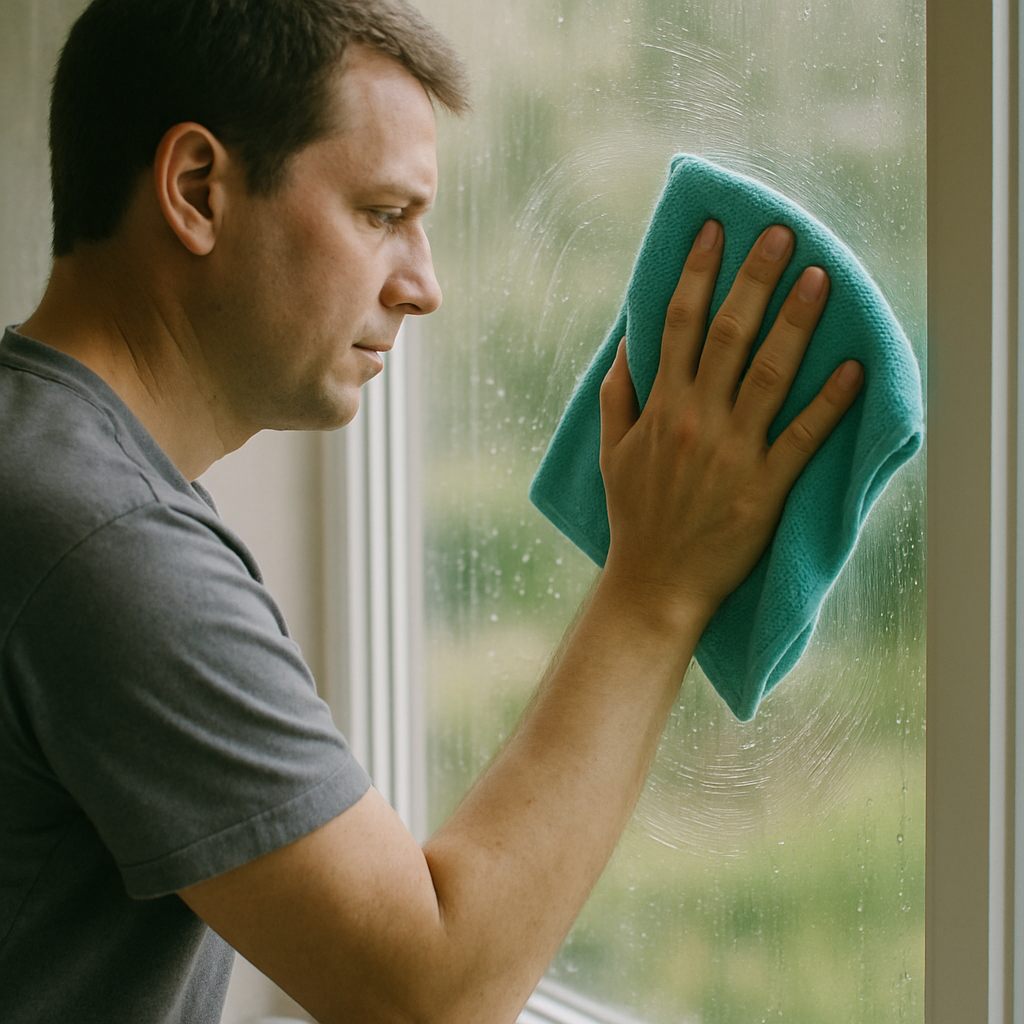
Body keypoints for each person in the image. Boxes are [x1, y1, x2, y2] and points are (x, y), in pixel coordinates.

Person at [0, 0, 863, 1021]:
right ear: (198, 190)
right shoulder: (101, 540)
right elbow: (426, 993)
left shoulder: (39, 464)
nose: (424, 285)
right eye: (380, 214)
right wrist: (657, 582)